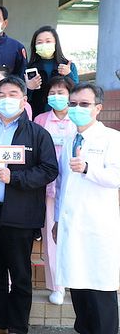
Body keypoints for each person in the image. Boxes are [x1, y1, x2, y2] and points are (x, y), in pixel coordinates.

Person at [0, 76, 58, 334]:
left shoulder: (37, 134)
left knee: (19, 274)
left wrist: (15, 178)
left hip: (20, 213)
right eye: (1, 95)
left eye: (13, 94)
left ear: (24, 99)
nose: (6, 99)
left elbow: (49, 170)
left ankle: (17, 326)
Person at [53, 82, 120, 334]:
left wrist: (88, 168)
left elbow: (116, 177)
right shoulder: (70, 139)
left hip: (97, 227)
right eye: (73, 104)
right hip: (72, 224)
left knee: (99, 289)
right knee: (79, 289)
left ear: (98, 108)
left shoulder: (112, 138)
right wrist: (57, 220)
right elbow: (62, 184)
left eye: (84, 104)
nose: (77, 108)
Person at [33, 76, 76, 305]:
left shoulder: (78, 119)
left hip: (73, 188)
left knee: (71, 237)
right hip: (47, 187)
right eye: (52, 92)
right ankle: (57, 285)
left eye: (61, 92)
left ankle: (72, 282)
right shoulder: (40, 120)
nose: (56, 96)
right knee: (51, 238)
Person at [26, 26, 79, 117]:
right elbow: (22, 97)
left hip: (64, 116)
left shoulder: (68, 66)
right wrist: (29, 88)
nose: (44, 45)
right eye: (39, 42)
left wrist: (69, 74)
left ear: (55, 43)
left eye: (48, 41)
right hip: (37, 115)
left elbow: (77, 92)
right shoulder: (29, 68)